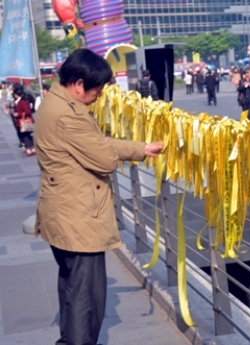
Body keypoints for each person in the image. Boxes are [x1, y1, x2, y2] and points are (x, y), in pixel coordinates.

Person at [34, 48, 164, 345]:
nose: (100, 95)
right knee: (86, 298)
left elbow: (96, 144)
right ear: (79, 85)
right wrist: (114, 152)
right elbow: (103, 159)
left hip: (62, 213)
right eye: (98, 89)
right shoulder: (71, 117)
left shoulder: (52, 103)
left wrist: (141, 149)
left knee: (70, 287)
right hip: (79, 217)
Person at [13, 87, 35, 157]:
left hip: (24, 121)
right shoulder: (20, 101)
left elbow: (28, 112)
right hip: (23, 121)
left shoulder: (23, 102)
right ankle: (33, 148)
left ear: (16, 94)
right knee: (28, 135)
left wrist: (18, 114)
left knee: (25, 136)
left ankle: (29, 149)